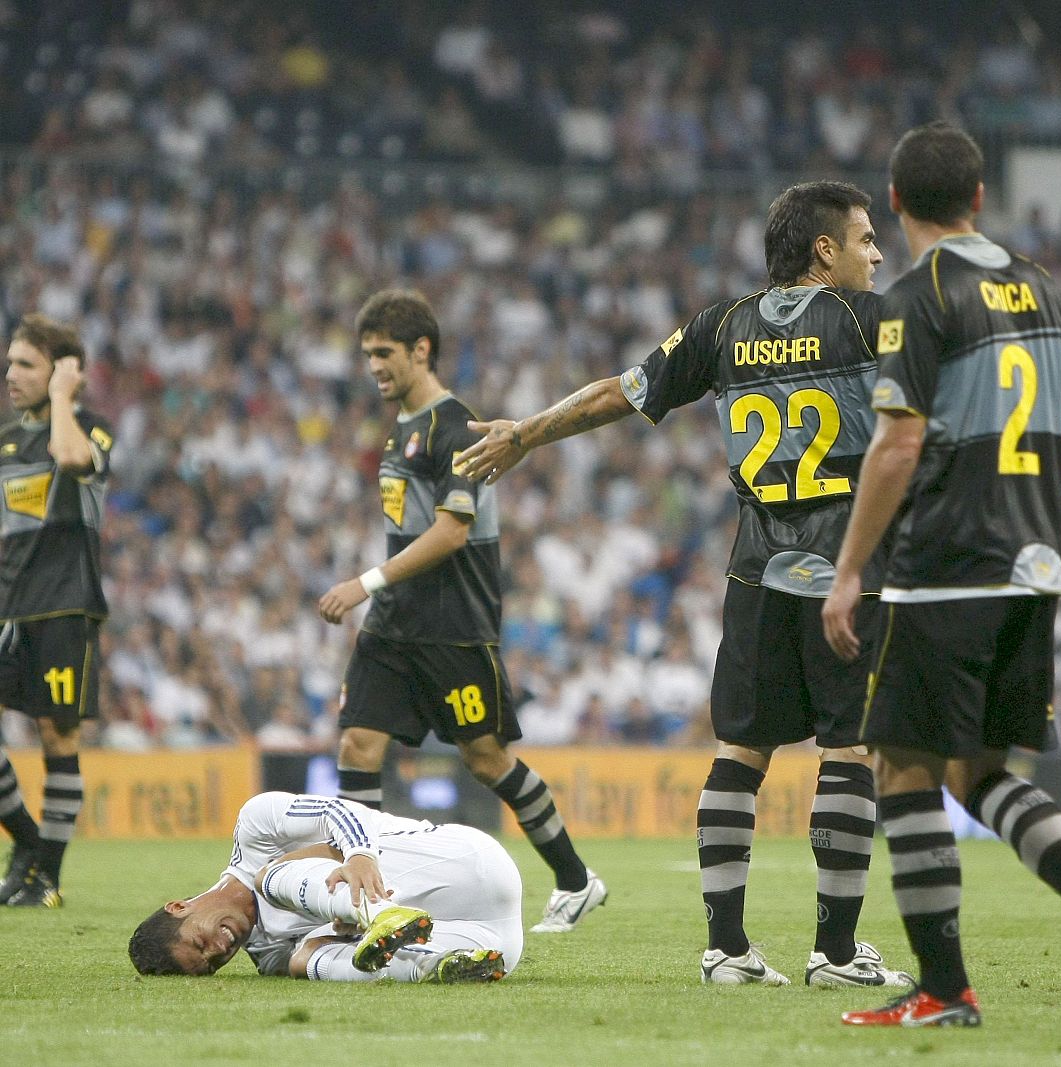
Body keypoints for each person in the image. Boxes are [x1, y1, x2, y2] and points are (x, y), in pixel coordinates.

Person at [457, 181, 910, 990]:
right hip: (845, 565)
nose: (878, 254)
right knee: (849, 749)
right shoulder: (869, 321)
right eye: (866, 239)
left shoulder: (722, 327)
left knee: (741, 750)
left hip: (756, 570)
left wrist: (524, 432)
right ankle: (836, 954)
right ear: (824, 250)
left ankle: (726, 949)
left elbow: (619, 393)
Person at [821, 123, 1061, 1028]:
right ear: (978, 198)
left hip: (950, 562)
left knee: (902, 764)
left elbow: (899, 439)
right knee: (981, 772)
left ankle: (943, 988)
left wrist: (849, 571)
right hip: (1035, 558)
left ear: (895, 200)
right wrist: (1036, 482)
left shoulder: (916, 293)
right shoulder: (1038, 285)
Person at [317, 289, 603, 935]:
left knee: (485, 758)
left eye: (384, 353)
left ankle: (576, 879)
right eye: (367, 355)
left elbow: (450, 532)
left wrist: (363, 581)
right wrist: (379, 592)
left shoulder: (457, 427)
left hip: (454, 623)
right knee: (359, 743)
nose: (374, 367)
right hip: (395, 622)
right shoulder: (400, 426)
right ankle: (356, 897)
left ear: (422, 349)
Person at [127, 791, 519, 982]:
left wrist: (358, 855)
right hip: (493, 936)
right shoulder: (268, 955)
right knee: (304, 961)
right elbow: (333, 955)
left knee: (269, 878)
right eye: (212, 964)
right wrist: (332, 934)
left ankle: (379, 912)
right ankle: (433, 967)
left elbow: (339, 811)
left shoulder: (255, 828)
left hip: (456, 861)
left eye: (201, 943)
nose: (219, 950)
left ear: (178, 907)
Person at [0, 315, 112, 908]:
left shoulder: (91, 429)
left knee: (56, 735)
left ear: (62, 372)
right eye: (11, 361)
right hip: (8, 606)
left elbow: (70, 460)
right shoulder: (5, 440)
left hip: (66, 605)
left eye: (25, 364)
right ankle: (28, 844)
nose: (10, 373)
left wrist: (65, 397)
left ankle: (46, 878)